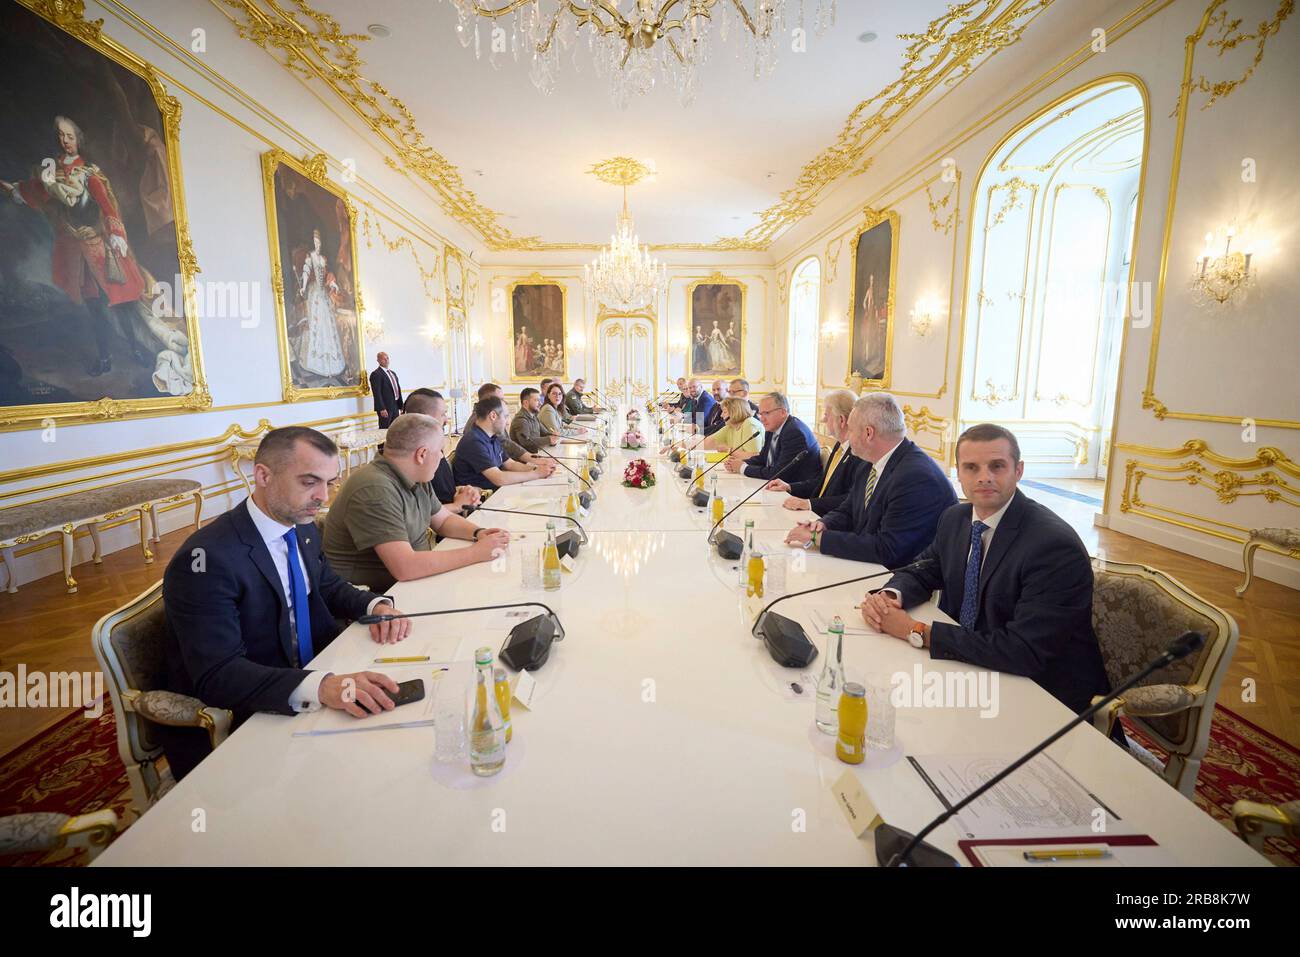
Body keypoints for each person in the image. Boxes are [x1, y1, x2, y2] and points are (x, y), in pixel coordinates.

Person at [161, 427, 413, 779]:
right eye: (309, 482)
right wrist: (321, 687)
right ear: (263, 475)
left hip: (319, 672)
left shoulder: (302, 525)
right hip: (253, 716)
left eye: (330, 482)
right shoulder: (206, 560)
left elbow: (326, 586)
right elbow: (219, 675)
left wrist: (375, 607)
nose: (323, 497)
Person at [861, 424, 1112, 717]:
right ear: (958, 472)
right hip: (970, 669)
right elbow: (925, 568)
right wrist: (890, 597)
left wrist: (915, 630)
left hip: (1043, 695)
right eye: (971, 467)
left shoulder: (1053, 546)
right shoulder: (955, 518)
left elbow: (1023, 650)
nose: (984, 477)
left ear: (1018, 470)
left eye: (997, 466)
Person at [1, 115, 153, 376]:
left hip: (96, 245)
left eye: (70, 136)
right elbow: (34, 191)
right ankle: (104, 357)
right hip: (73, 249)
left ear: (78, 139)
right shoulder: (50, 173)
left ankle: (135, 348)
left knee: (119, 303)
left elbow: (107, 207)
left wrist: (115, 233)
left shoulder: (90, 172)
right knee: (93, 306)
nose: (65, 140)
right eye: (61, 135)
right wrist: (14, 190)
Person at [324, 414, 510, 592]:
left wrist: (478, 533)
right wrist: (476, 553)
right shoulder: (374, 488)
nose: (440, 458)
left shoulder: (415, 476)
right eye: (439, 452)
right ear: (421, 454)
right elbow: (405, 567)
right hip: (378, 596)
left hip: (414, 582)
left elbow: (443, 520)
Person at [785, 393, 954, 565]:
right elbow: (849, 509)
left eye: (850, 429)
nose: (847, 437)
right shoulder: (870, 461)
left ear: (868, 433)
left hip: (896, 578)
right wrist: (822, 524)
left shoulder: (915, 477)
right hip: (868, 565)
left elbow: (887, 549)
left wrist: (819, 538)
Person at [766, 389, 865, 516]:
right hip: (817, 514)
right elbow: (823, 483)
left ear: (841, 420)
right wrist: (790, 487)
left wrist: (809, 504)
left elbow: (852, 499)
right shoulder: (839, 445)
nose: (823, 420)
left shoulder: (859, 453)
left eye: (826, 415)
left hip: (831, 519)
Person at [403, 389, 481, 514]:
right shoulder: (414, 456)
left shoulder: (434, 446)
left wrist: (461, 491)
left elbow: (441, 491)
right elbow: (419, 515)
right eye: (443, 414)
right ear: (427, 418)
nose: (446, 419)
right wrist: (456, 505)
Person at [453, 395, 551, 489]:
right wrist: (536, 474)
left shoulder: (492, 437)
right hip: (483, 500)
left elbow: (510, 464)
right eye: (506, 416)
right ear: (493, 416)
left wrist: (538, 469)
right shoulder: (473, 441)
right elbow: (499, 478)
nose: (508, 422)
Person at [723, 391, 820, 484]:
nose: (762, 418)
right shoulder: (773, 428)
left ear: (783, 412)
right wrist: (739, 462)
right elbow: (763, 458)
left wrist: (743, 468)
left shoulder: (794, 433)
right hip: (776, 485)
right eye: (760, 414)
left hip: (794, 491)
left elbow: (778, 473)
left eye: (767, 413)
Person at [295, 228, 347, 378]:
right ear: (312, 242)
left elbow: (327, 277)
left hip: (323, 293)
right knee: (316, 325)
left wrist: (333, 285)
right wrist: (303, 287)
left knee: (327, 326)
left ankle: (332, 364)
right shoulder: (309, 256)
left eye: (319, 241)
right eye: (315, 241)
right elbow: (305, 272)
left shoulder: (323, 258)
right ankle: (315, 362)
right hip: (314, 293)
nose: (317, 243)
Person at [476, 383, 559, 476]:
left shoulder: (490, 422)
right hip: (499, 477)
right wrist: (536, 468)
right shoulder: (480, 426)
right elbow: (509, 445)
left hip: (512, 466)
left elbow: (508, 461)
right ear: (489, 400)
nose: (505, 402)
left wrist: (538, 465)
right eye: (501, 399)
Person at [699, 397, 763, 456]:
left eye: (724, 412)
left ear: (735, 412)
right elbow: (706, 443)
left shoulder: (750, 425)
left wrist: (729, 450)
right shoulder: (730, 426)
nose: (721, 415)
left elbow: (754, 456)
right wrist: (691, 442)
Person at [510, 386, 560, 453]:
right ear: (526, 403)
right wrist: (549, 439)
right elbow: (526, 441)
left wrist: (553, 435)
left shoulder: (534, 417)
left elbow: (545, 433)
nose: (540, 403)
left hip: (537, 454)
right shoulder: (521, 419)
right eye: (536, 400)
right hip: (525, 460)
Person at [369, 351, 403, 429]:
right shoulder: (376, 374)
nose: (386, 360)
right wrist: (381, 408)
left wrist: (401, 406)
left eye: (387, 358)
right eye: (383, 359)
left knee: (395, 428)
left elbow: (397, 389)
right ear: (378, 361)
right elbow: (377, 393)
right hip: (385, 408)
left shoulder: (393, 373)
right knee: (384, 429)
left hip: (395, 405)